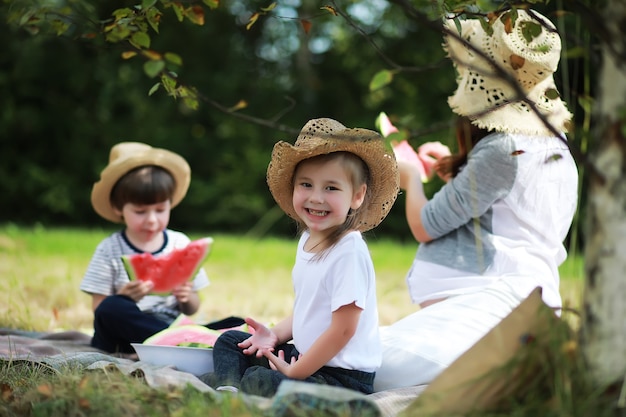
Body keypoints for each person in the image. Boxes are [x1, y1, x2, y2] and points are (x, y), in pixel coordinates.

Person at [374, 8, 579, 391]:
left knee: (374, 364)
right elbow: (511, 204)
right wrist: (455, 169)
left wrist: (411, 179)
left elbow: (425, 225)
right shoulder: (552, 145)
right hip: (522, 303)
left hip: (496, 309)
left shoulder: (503, 150)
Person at [203, 118, 399, 397]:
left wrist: (297, 370)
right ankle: (229, 390)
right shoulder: (308, 239)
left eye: (331, 188)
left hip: (341, 378)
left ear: (357, 196)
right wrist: (273, 336)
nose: (316, 198)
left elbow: (343, 330)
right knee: (230, 340)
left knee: (261, 379)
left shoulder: (349, 252)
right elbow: (309, 311)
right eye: (306, 184)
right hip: (306, 358)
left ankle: (239, 382)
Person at [80, 142, 210, 355]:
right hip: (120, 336)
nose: (151, 220)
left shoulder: (180, 243)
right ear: (118, 208)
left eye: (160, 210)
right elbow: (99, 310)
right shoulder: (109, 249)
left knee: (236, 322)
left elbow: (194, 308)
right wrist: (122, 297)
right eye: (140, 212)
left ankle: (176, 340)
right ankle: (182, 343)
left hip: (169, 324)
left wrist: (186, 299)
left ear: (170, 204)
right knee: (111, 308)